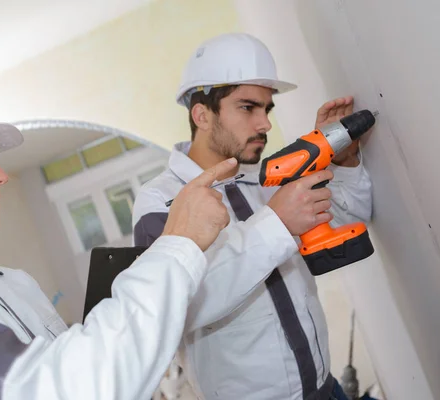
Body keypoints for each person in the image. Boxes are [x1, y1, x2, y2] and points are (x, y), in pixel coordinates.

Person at [0, 69, 246, 400]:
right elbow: (73, 389)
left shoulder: (7, 282)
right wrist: (179, 244)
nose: (0, 175)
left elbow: (87, 367)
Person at [132, 33, 372, 400]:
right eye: (248, 108)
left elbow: (353, 217)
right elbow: (182, 304)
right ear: (202, 115)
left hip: (327, 390)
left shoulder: (267, 180)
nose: (265, 124)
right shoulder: (161, 200)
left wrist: (342, 161)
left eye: (267, 109)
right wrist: (276, 223)